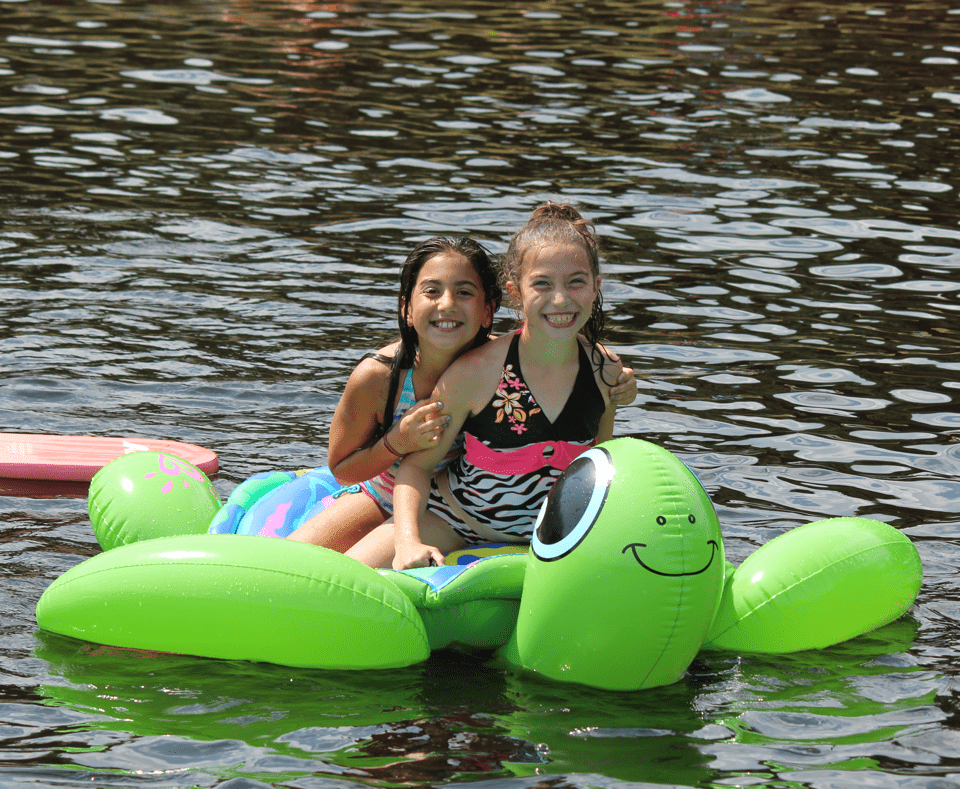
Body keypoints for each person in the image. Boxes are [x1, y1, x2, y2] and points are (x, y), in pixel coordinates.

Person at [288, 230, 637, 553]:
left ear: (489, 311)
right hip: (388, 489)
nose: (448, 305)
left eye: (465, 292)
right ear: (406, 308)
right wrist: (397, 442)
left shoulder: (505, 364)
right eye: (431, 291)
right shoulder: (384, 377)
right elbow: (346, 469)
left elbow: (597, 458)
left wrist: (619, 386)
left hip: (456, 493)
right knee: (298, 560)